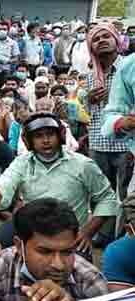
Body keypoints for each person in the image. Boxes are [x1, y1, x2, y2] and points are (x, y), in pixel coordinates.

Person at [0, 113, 118, 255]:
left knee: (74, 278)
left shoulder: (83, 164)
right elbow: (1, 186)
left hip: (68, 232)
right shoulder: (22, 162)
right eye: (38, 136)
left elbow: (107, 198)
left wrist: (88, 232)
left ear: (60, 136)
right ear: (29, 141)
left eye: (50, 135)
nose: (46, 140)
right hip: (29, 223)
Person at [0, 198, 108, 301]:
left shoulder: (89, 278)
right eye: (45, 252)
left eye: (67, 252)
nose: (58, 265)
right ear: (19, 246)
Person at [84, 24, 130, 203]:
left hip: (126, 145)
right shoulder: (90, 77)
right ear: (91, 47)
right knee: (102, 196)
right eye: (96, 39)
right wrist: (89, 100)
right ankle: (105, 231)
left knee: (126, 197)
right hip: (98, 144)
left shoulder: (130, 69)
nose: (101, 41)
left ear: (116, 40)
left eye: (106, 36)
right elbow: (86, 115)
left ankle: (125, 231)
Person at [0, 22, 20, 90]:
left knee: (4, 91)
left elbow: (16, 58)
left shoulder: (13, 43)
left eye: (4, 29)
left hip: (5, 72)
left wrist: (8, 61)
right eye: (0, 29)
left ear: (8, 30)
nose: (2, 31)